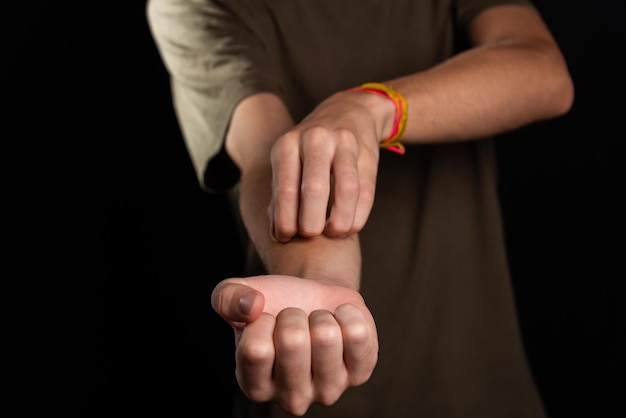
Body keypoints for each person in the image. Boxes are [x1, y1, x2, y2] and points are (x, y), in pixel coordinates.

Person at [146, 1, 574, 417]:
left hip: (479, 376)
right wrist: (322, 288)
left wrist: (370, 107)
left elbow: (542, 70)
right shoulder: (194, 5)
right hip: (312, 381)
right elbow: (263, 153)